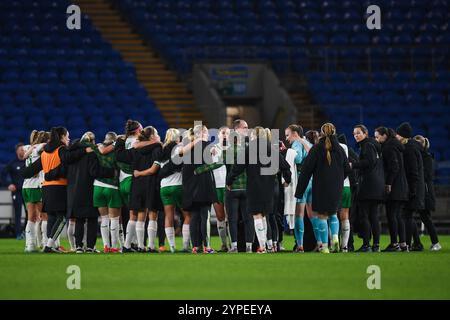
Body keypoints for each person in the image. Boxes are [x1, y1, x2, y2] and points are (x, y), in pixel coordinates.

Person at [227, 127, 291, 253]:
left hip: (254, 186)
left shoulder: (249, 148)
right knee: (265, 215)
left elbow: (237, 167)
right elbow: (285, 166)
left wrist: (229, 180)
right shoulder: (271, 148)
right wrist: (287, 179)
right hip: (270, 187)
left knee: (257, 216)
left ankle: (262, 246)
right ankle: (267, 246)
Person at [296, 123, 351, 254]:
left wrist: (299, 191)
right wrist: (338, 180)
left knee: (321, 216)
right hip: (336, 187)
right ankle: (336, 238)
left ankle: (325, 246)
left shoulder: (316, 148)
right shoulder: (340, 149)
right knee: (333, 215)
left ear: (321, 133)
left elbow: (306, 170)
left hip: (320, 187)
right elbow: (348, 169)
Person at [116, 126, 162, 252]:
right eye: (156, 133)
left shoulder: (135, 149)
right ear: (152, 136)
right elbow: (155, 169)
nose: (158, 135)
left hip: (136, 185)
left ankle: (131, 245)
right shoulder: (157, 148)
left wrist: (120, 141)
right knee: (152, 215)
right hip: (151, 184)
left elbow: (120, 156)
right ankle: (151, 246)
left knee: (135, 215)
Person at [181, 125, 217, 254]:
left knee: (194, 217)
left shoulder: (187, 146)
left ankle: (196, 246)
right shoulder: (206, 144)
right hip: (204, 184)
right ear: (203, 133)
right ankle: (207, 246)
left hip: (190, 186)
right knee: (205, 216)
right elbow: (215, 160)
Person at [375, 127, 409, 252]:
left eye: (377, 136)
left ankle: (394, 244)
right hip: (402, 185)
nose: (376, 139)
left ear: (384, 135)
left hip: (395, 187)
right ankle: (403, 244)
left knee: (392, 215)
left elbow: (394, 166)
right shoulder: (397, 146)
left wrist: (388, 183)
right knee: (398, 216)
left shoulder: (389, 147)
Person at [352, 125, 385, 253]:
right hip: (377, 184)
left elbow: (368, 162)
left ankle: (367, 245)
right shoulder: (374, 145)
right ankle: (376, 245)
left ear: (365, 133)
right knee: (373, 216)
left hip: (368, 185)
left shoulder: (367, 145)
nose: (356, 136)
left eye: (358, 133)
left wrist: (353, 164)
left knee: (364, 215)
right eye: (354, 134)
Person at [285, 124, 316, 253]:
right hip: (312, 181)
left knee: (299, 215)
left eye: (287, 135)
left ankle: (300, 245)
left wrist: (288, 152)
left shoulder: (296, 144)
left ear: (295, 134)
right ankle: (320, 243)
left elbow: (297, 159)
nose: (287, 138)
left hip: (301, 182)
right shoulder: (309, 143)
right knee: (313, 215)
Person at [91, 132, 123, 253]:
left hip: (97, 186)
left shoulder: (97, 149)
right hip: (112, 187)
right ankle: (114, 246)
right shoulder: (116, 151)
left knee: (104, 218)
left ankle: (105, 246)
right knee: (114, 219)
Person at [396, 122, 426, 251]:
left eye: (398, 134)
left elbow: (413, 172)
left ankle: (407, 244)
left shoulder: (410, 149)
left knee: (406, 216)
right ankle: (417, 244)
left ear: (403, 136)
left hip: (413, 188)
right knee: (408, 216)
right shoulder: (413, 147)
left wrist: (412, 190)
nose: (396, 136)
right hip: (415, 187)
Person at [156, 128, 185, 252]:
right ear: (177, 137)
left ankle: (172, 247)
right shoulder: (178, 148)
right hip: (178, 184)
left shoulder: (160, 150)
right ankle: (186, 245)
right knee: (187, 215)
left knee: (169, 216)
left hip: (164, 187)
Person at [414, 135, 441, 251]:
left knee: (426, 218)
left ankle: (435, 243)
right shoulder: (422, 156)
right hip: (422, 191)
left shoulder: (427, 157)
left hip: (425, 192)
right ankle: (418, 243)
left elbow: (427, 176)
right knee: (423, 218)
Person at [22, 131, 47, 252]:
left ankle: (30, 244)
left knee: (31, 217)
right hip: (35, 185)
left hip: (26, 186)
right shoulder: (40, 147)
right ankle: (45, 243)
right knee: (44, 216)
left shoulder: (28, 147)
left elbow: (23, 155)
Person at [2, 143, 26, 240]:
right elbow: (3, 175)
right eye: (21, 149)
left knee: (30, 213)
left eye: (23, 149)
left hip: (27, 191)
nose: (23, 151)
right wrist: (8, 184)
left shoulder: (27, 161)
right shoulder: (12, 163)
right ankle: (18, 234)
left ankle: (26, 232)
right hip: (17, 192)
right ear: (17, 151)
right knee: (18, 213)